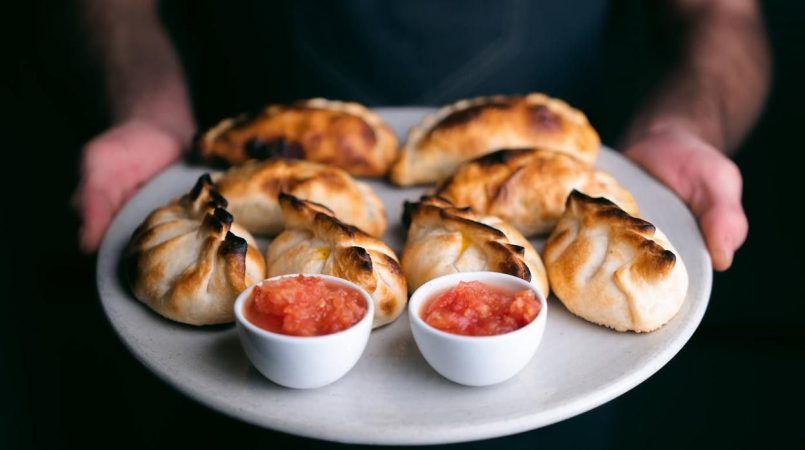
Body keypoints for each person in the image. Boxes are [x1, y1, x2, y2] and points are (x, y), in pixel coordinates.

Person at [73, 0, 769, 272]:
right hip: (239, 292)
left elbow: (723, 18)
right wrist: (150, 111)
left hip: (552, 328)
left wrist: (683, 126)